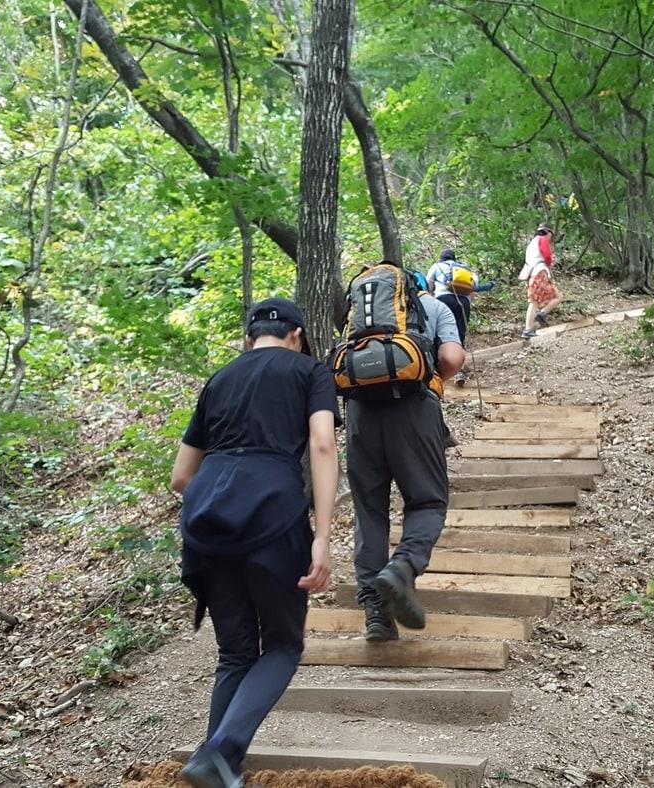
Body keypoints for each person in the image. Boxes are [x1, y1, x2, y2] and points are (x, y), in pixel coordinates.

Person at [169, 297, 338, 788]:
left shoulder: (219, 379)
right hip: (273, 514)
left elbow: (181, 476)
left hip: (207, 521)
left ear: (248, 338)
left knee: (236, 652)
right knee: (283, 645)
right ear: (297, 336)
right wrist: (322, 536)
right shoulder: (309, 372)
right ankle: (219, 756)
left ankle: (216, 764)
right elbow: (322, 445)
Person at [348, 269, 466, 642]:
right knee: (427, 501)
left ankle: (376, 616)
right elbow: (451, 356)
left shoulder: (357, 317)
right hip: (414, 409)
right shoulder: (432, 306)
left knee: (369, 510)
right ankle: (403, 567)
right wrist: (432, 381)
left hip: (361, 415)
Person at [426, 248, 493, 386]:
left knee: (438, 333)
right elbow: (472, 289)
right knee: (459, 334)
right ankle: (459, 371)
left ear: (441, 258)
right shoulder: (465, 269)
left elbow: (429, 287)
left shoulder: (437, 266)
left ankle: (436, 369)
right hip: (463, 302)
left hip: (442, 301)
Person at [519, 225, 563, 339]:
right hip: (539, 273)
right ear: (548, 233)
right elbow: (547, 256)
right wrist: (549, 264)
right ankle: (530, 327)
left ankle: (540, 315)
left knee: (555, 296)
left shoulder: (532, 243)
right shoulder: (542, 239)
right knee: (535, 302)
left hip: (533, 273)